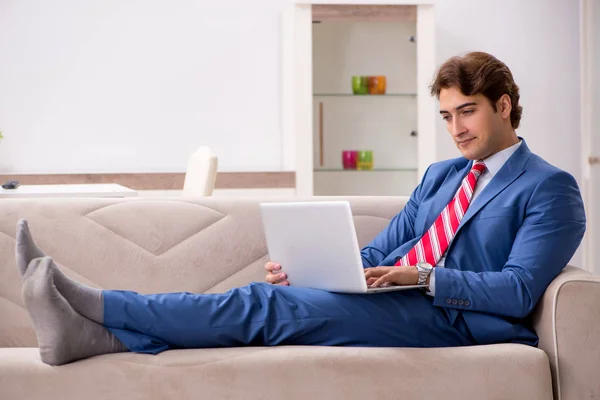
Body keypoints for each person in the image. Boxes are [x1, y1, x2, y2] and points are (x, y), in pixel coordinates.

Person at [16, 51, 586, 366]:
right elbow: (383, 249)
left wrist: (426, 277)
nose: (456, 129)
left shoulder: (548, 188)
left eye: (467, 112)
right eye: (446, 117)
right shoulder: (441, 176)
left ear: (504, 106)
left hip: (451, 319)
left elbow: (516, 291)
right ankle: (96, 336)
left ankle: (103, 304)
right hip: (395, 292)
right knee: (275, 294)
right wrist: (328, 266)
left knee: (263, 305)